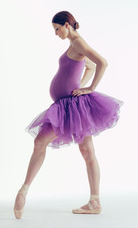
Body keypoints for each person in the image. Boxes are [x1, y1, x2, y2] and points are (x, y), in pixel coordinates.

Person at [13, 11, 124, 218]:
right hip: (67, 105)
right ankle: (25, 191)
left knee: (82, 151)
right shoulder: (74, 46)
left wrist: (89, 88)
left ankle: (93, 202)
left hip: (72, 107)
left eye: (57, 29)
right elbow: (89, 66)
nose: (56, 34)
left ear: (66, 25)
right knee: (56, 145)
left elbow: (102, 63)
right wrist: (79, 85)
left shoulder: (78, 43)